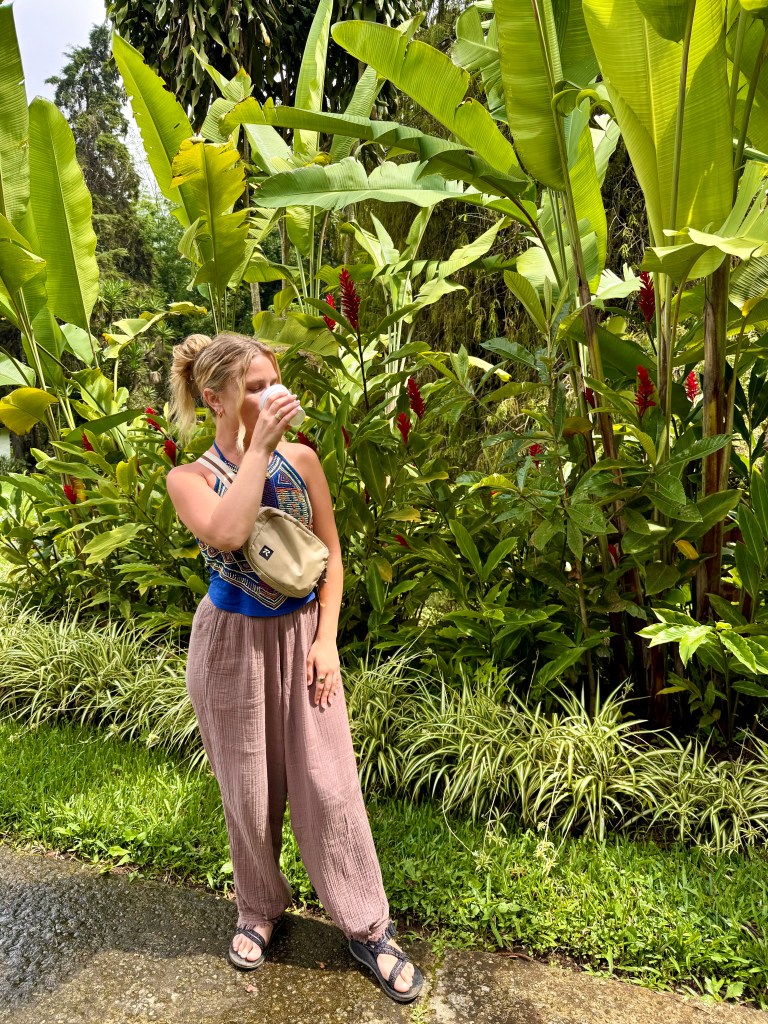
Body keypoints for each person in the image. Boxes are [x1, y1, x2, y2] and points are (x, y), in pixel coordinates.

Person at [165, 332, 423, 1004]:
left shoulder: (303, 460)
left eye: (273, 382)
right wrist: (256, 446)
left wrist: (327, 639)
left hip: (304, 639)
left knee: (329, 788)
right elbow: (225, 531)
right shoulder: (188, 479)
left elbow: (332, 556)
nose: (270, 396)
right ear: (213, 396)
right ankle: (258, 908)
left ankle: (368, 926)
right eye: (253, 388)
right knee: (247, 795)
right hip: (230, 648)